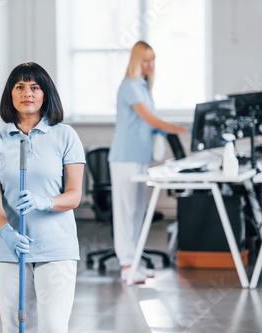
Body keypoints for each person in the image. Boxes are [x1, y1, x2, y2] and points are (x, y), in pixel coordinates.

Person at [0, 62, 85, 332]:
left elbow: (74, 195)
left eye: (35, 87)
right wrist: (6, 233)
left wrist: (45, 202)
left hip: (56, 247)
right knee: (15, 326)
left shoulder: (66, 136)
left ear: (45, 94)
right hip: (9, 248)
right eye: (20, 87)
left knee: (52, 327)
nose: (27, 92)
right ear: (10, 94)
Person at [108, 41, 189, 284]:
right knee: (126, 212)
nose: (150, 65)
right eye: (145, 60)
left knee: (137, 213)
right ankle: (126, 265)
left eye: (152, 60)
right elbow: (152, 120)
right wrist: (184, 129)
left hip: (140, 156)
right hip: (124, 157)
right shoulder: (130, 86)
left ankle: (135, 259)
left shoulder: (143, 86)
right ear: (135, 61)